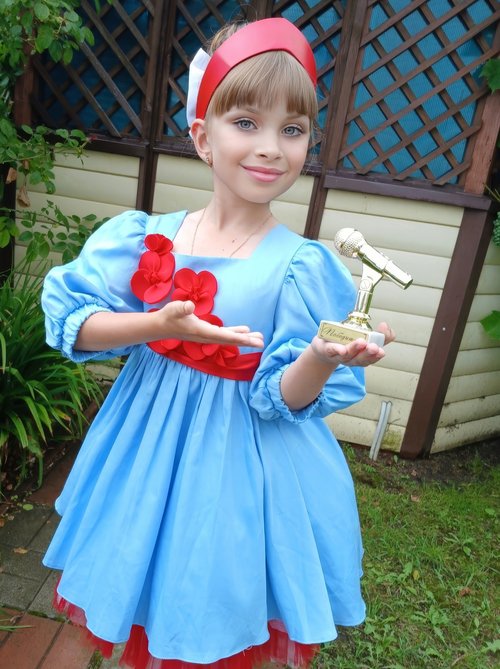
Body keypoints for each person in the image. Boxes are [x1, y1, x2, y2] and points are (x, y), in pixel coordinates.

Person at [41, 17, 394, 669]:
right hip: (147, 450)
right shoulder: (148, 238)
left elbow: (281, 398)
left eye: (292, 129)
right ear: (203, 137)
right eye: (247, 123)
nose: (270, 148)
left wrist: (320, 356)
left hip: (241, 466)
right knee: (146, 575)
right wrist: (158, 326)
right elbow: (74, 321)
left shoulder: (300, 266)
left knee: (213, 590)